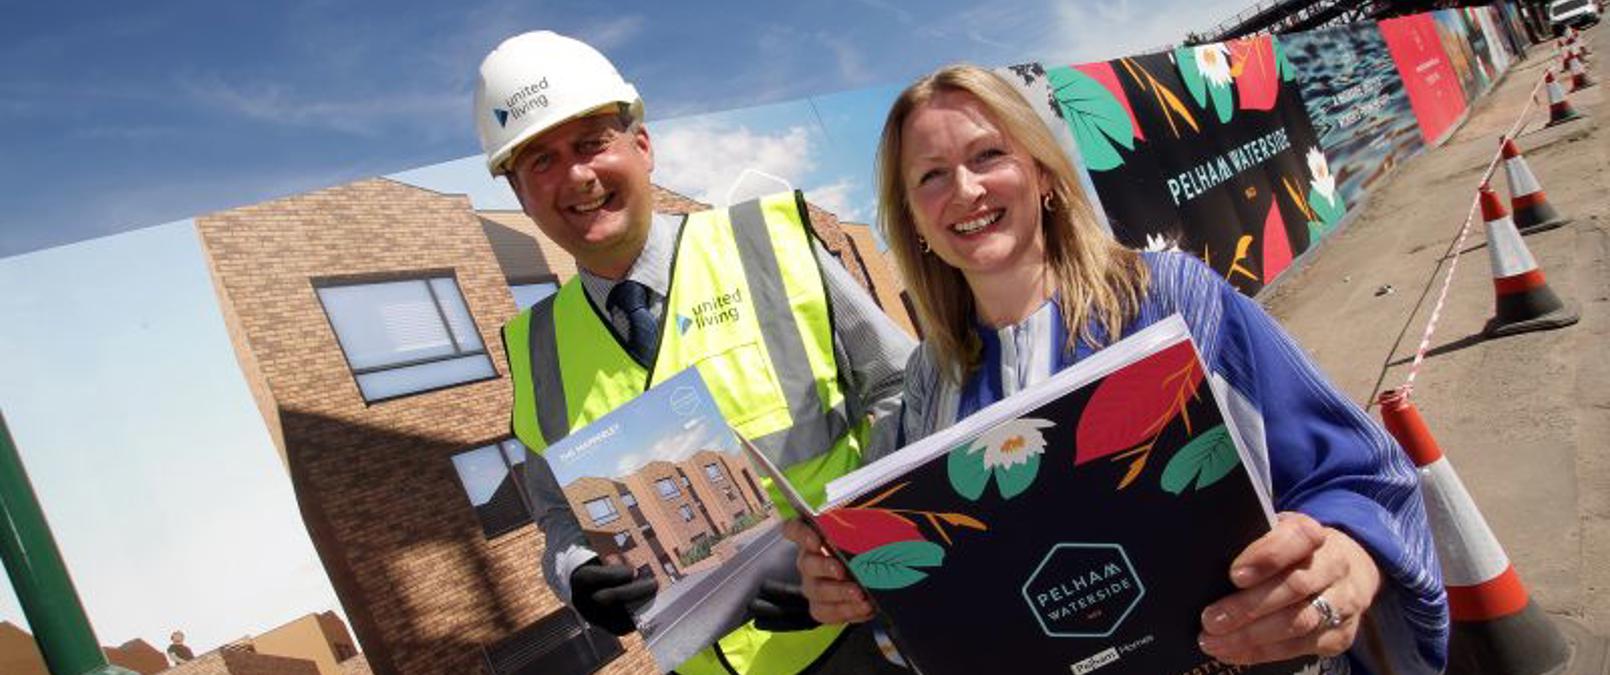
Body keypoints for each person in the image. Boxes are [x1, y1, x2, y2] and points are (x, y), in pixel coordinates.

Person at [784, 64, 1449, 674]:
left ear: (1042, 172)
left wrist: (1351, 559)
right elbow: (948, 589)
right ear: (914, 221)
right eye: (930, 175)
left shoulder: (1171, 298)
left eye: (988, 154)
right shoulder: (932, 379)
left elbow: (1360, 471)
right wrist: (863, 590)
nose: (964, 188)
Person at [473, 31, 916, 674]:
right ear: (519, 193)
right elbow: (554, 517)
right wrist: (577, 576)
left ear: (643, 146)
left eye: (592, 142)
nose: (575, 175)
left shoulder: (767, 244)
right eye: (539, 160)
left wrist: (850, 545)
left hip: (865, 638)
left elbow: (907, 391)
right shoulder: (535, 346)